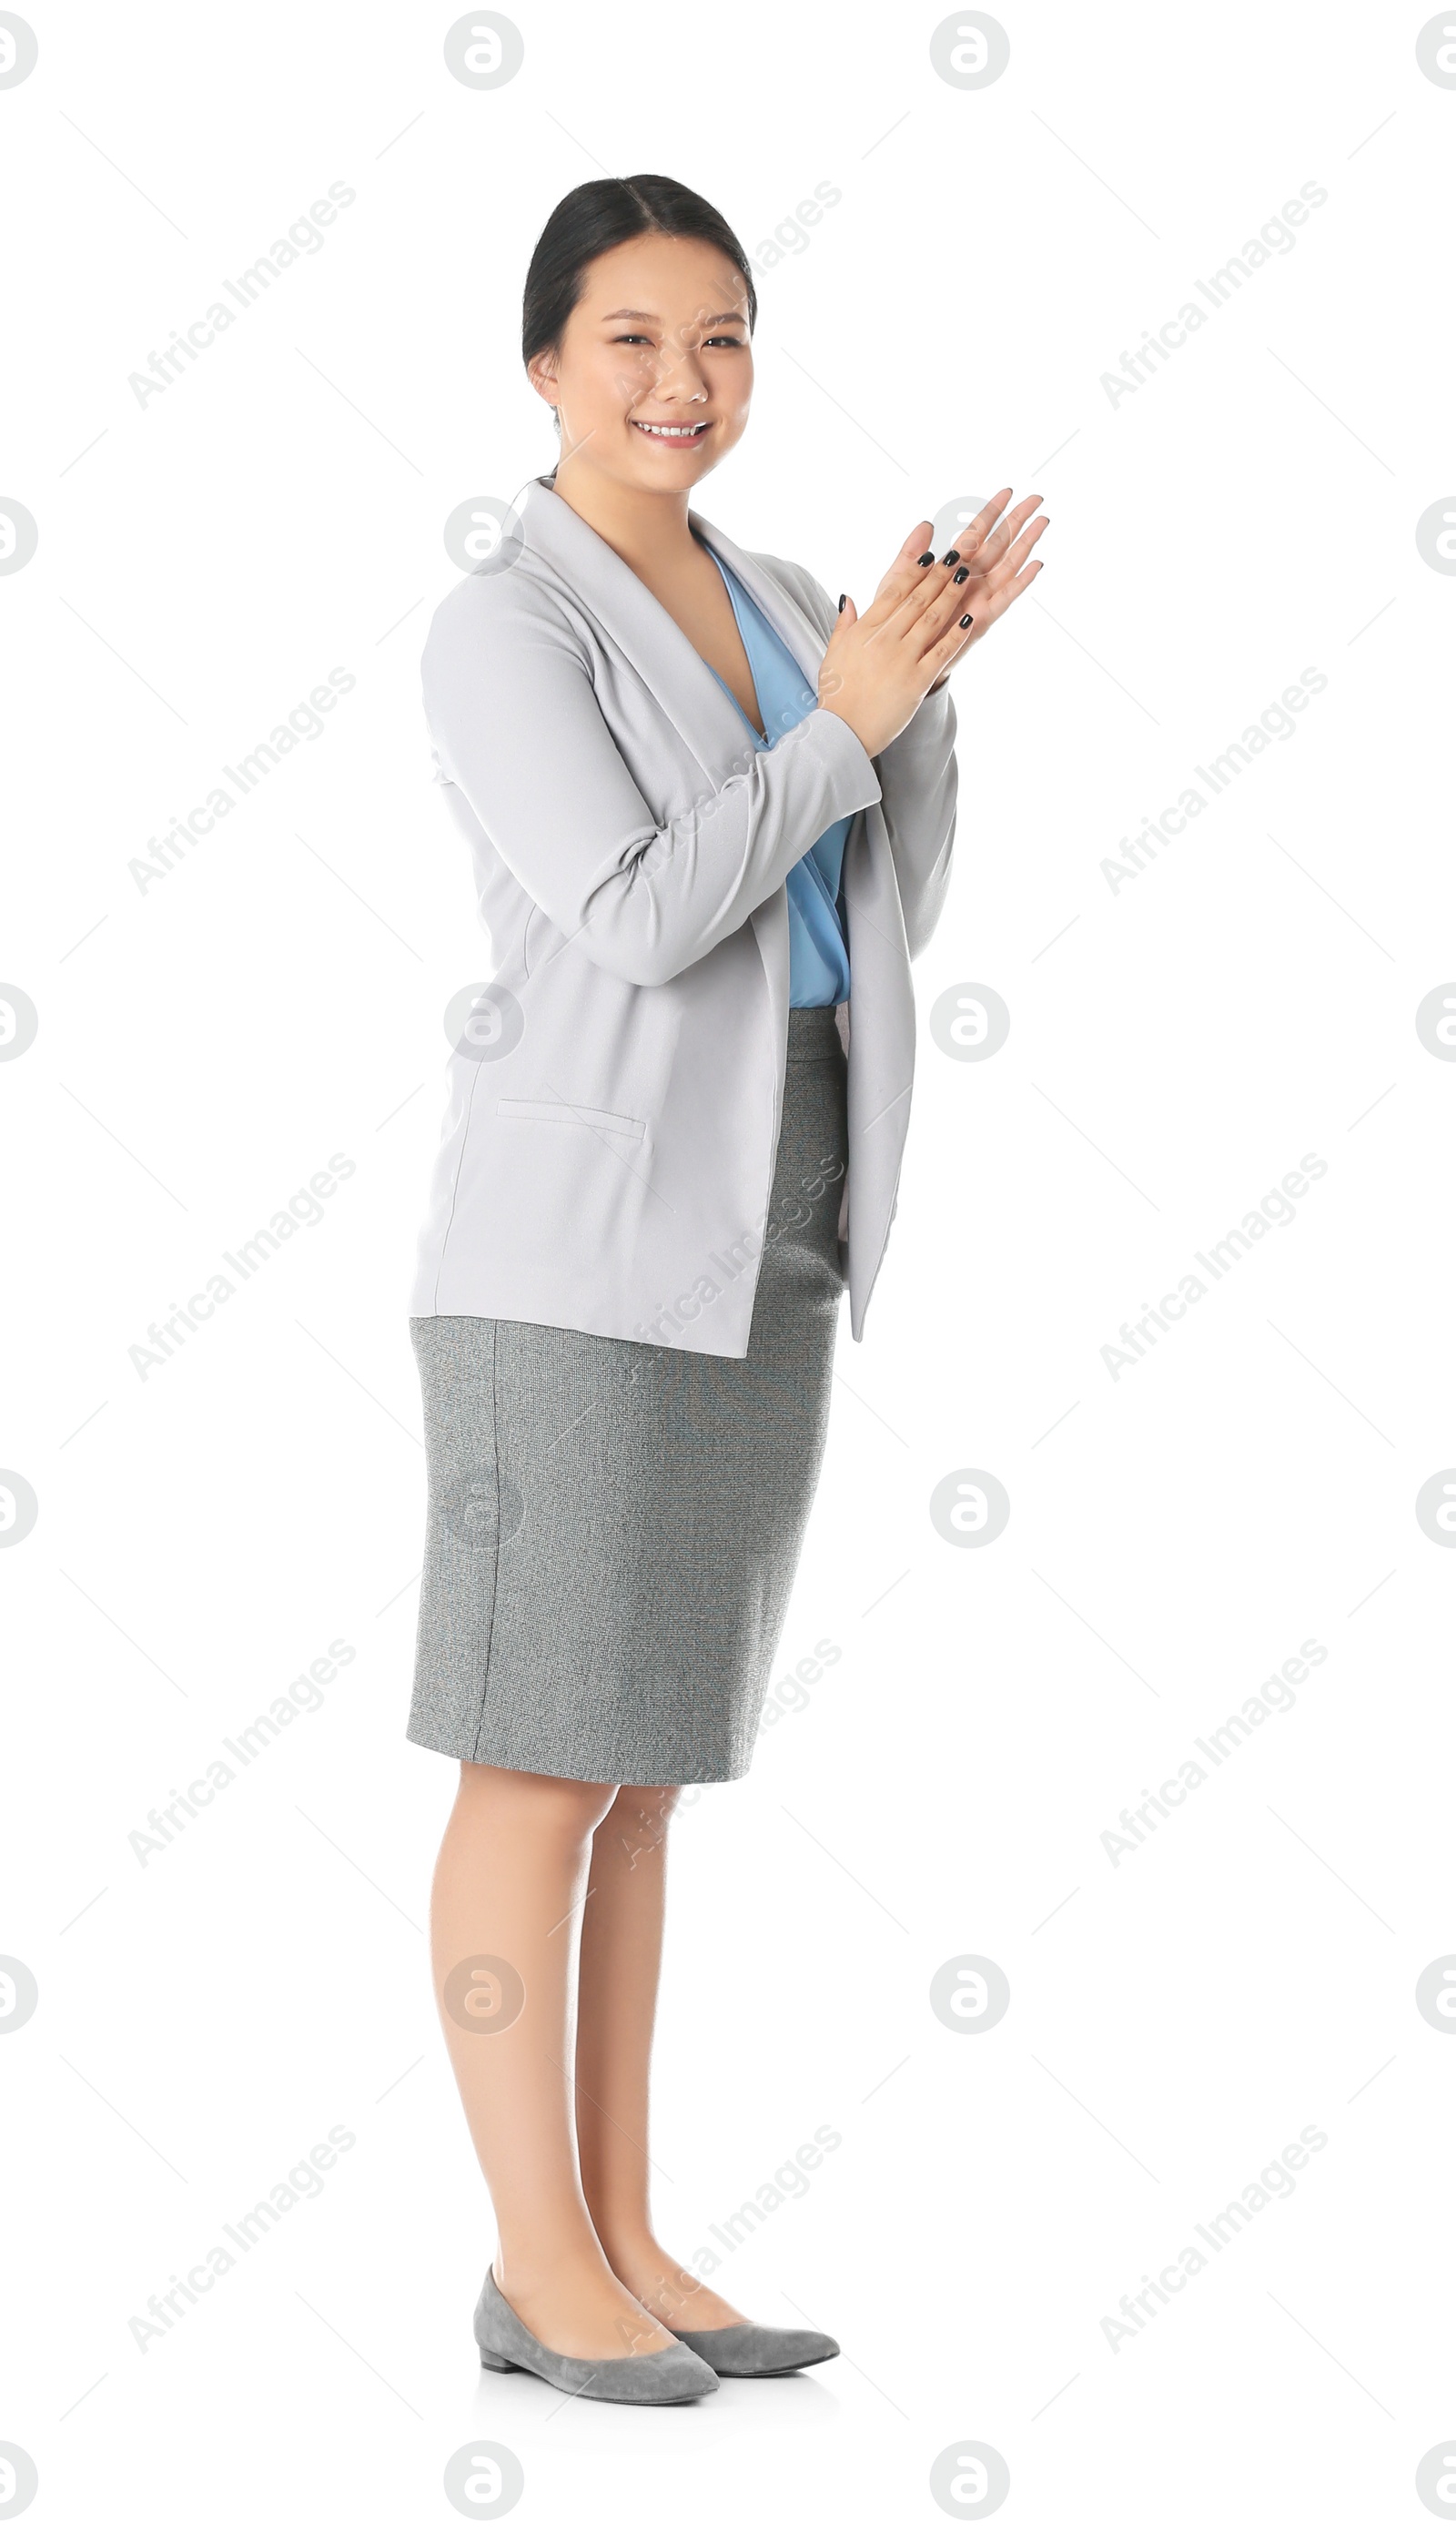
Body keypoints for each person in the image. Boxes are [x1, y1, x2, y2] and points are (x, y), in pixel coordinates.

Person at [405, 172, 1048, 2405]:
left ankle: (625, 2230)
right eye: (631, 340)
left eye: (724, 337)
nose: (684, 383)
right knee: (533, 1760)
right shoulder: (507, 618)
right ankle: (530, 2261)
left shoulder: (777, 597)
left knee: (649, 1766)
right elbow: (639, 910)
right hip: (569, 1256)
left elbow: (875, 899)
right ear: (542, 367)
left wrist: (915, 697)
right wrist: (839, 719)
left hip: (769, 1213)